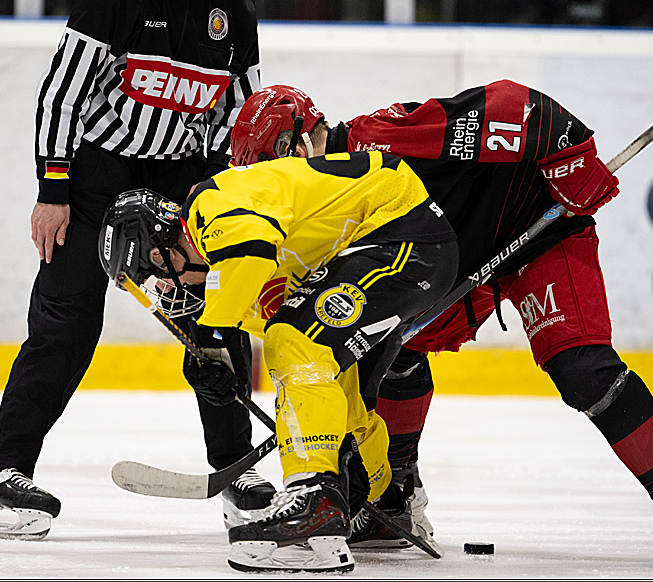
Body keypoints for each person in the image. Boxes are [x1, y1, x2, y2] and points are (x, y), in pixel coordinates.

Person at [226, 82, 653, 566]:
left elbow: (517, 105)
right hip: (452, 269)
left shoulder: (380, 138)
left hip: (539, 231)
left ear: (294, 147)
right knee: (389, 351)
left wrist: (569, 156)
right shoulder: (313, 203)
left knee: (582, 368)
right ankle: (397, 494)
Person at [0, 0, 276, 540]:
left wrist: (221, 202)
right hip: (95, 179)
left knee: (214, 317)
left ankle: (234, 470)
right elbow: (61, 93)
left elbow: (240, 116)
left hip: (182, 180)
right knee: (65, 325)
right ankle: (1, 478)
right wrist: (52, 191)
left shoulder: (235, 2)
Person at [99, 153, 460, 572]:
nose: (159, 286)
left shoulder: (208, 206)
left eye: (154, 269)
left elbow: (249, 252)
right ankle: (380, 498)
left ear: (163, 245)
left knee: (292, 340)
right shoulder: (251, 260)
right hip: (394, 245)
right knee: (312, 355)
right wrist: (359, 468)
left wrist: (217, 339)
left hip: (402, 237)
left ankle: (312, 497)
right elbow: (317, 378)